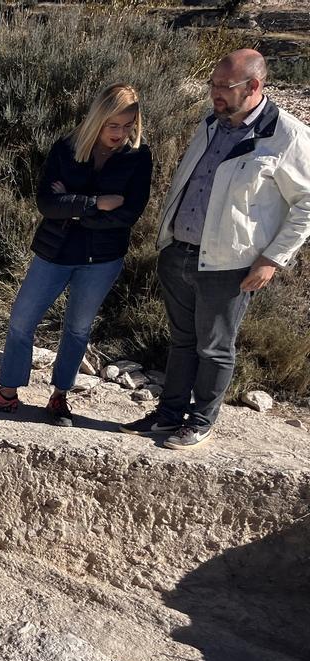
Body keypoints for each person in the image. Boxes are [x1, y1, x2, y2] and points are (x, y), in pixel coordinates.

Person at [121, 49, 310, 448]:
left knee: (215, 347)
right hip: (180, 253)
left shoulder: (287, 135)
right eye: (213, 85)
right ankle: (168, 415)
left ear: (254, 86)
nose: (215, 94)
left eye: (225, 87)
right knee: (182, 342)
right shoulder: (211, 123)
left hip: (231, 265)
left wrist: (272, 259)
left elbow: (306, 203)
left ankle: (200, 421)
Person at [0, 84, 154, 426]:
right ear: (98, 119)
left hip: (102, 259)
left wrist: (73, 206)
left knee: (78, 329)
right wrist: (96, 204)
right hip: (55, 251)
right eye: (114, 125)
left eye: (128, 126)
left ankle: (60, 397)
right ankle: (6, 394)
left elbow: (129, 214)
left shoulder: (138, 157)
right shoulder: (67, 148)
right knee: (22, 320)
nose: (121, 133)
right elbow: (47, 204)